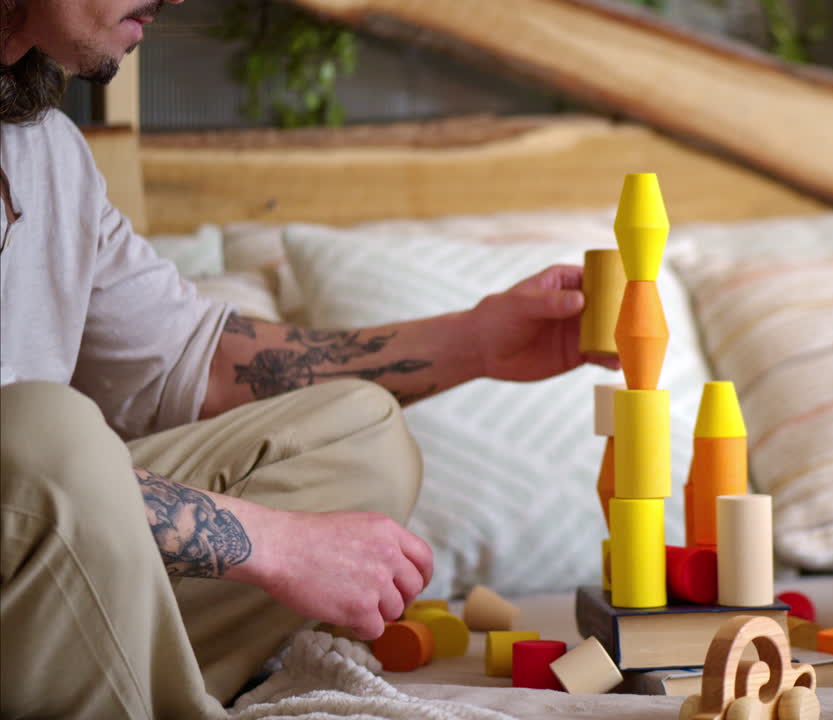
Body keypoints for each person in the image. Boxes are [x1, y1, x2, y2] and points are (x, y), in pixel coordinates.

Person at [0, 1, 618, 716]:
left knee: (361, 436)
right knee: (47, 429)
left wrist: (476, 340)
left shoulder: (45, 150)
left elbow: (194, 363)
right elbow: (34, 456)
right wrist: (274, 544)